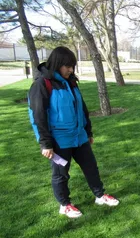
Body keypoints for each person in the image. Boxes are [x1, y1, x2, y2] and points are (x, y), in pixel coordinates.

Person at [28, 46, 119, 219]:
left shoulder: (71, 81)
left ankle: (100, 195)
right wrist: (45, 144)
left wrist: (88, 131)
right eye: (67, 66)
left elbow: (81, 108)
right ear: (57, 64)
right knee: (61, 174)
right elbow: (38, 117)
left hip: (79, 137)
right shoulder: (42, 84)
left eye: (72, 66)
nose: (70, 70)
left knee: (91, 167)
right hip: (59, 141)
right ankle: (65, 204)